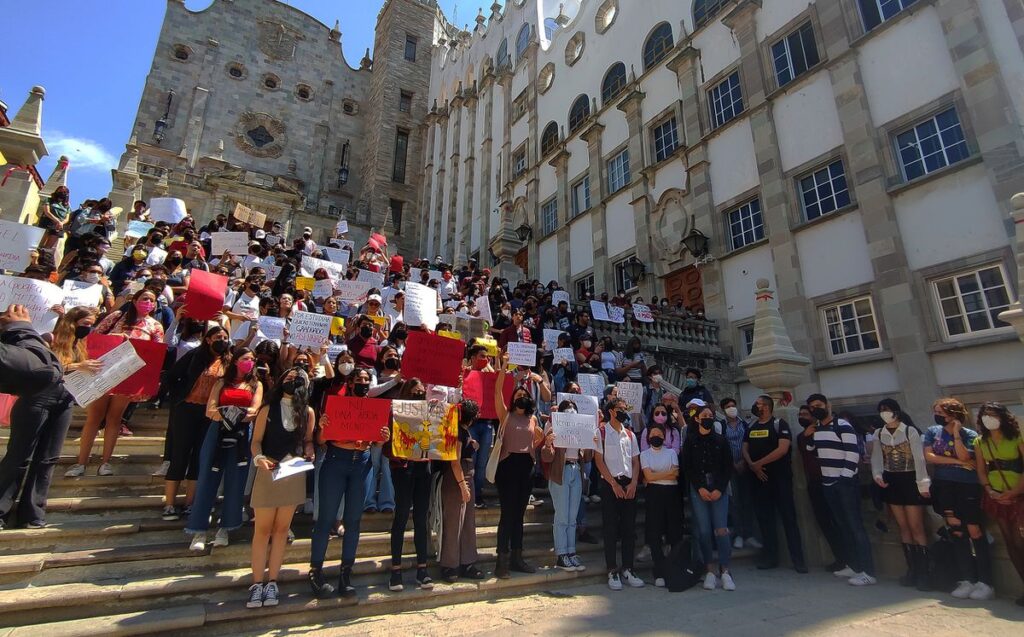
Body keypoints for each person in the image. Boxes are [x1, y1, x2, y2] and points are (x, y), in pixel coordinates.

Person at [0, 307, 94, 529]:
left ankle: (32, 512)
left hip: (65, 400)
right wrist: (76, 366)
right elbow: (41, 367)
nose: (88, 328)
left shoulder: (80, 346)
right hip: (38, 398)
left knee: (48, 458)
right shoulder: (48, 338)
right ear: (73, 321)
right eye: (86, 323)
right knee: (20, 454)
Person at [65, 289, 165, 478]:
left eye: (152, 300)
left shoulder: (155, 325)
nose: (149, 303)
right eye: (145, 298)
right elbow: (94, 337)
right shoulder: (117, 317)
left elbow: (156, 351)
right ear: (134, 300)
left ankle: (105, 463)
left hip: (128, 376)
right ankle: (81, 462)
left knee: (114, 419)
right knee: (94, 417)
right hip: (104, 371)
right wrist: (117, 339)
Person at [309, 368, 390, 598]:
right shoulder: (337, 405)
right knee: (326, 518)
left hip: (361, 464)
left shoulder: (374, 410)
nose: (363, 383)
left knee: (353, 520)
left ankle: (346, 573)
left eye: (367, 380)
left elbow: (375, 444)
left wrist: (382, 438)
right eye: (359, 380)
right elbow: (321, 440)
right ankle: (316, 571)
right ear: (351, 383)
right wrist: (323, 427)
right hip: (336, 461)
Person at [247, 366, 315, 609]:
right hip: (269, 470)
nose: (293, 380)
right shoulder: (268, 409)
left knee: (282, 529)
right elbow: (256, 442)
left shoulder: (307, 412)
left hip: (293, 472)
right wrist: (259, 459)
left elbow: (307, 441)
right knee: (262, 530)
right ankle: (257, 583)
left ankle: (272, 580)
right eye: (289, 376)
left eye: (298, 378)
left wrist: (310, 452)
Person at [185, 347, 263, 549]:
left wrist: (234, 415)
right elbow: (210, 409)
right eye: (246, 358)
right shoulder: (221, 383)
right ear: (236, 360)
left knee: (236, 481)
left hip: (241, 434)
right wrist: (229, 416)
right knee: (207, 479)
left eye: (252, 359)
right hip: (217, 432)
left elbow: (254, 410)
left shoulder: (256, 384)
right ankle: (199, 530)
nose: (250, 362)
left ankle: (226, 528)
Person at [924, 397, 993, 600]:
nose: (938, 416)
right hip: (944, 484)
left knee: (974, 529)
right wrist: (954, 460)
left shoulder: (970, 434)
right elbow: (930, 457)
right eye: (936, 411)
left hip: (968, 485)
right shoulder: (931, 432)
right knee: (955, 529)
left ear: (954, 414)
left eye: (942, 412)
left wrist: (956, 434)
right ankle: (967, 579)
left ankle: (985, 581)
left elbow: (966, 458)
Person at [160, 326, 231, 525]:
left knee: (199, 458)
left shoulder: (227, 360)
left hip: (209, 414)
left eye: (226, 337)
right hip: (187, 410)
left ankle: (190, 502)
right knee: (180, 455)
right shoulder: (194, 356)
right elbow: (170, 377)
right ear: (208, 339)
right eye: (218, 337)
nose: (223, 340)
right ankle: (170, 503)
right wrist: (177, 399)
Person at [805, 393, 876, 587]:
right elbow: (812, 449)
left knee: (854, 526)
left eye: (818, 405)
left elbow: (853, 452)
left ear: (827, 405)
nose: (815, 409)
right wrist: (810, 433)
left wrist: (844, 477)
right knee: (842, 524)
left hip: (844, 482)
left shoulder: (843, 425)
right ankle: (853, 565)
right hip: (827, 482)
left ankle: (867, 571)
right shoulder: (818, 427)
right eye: (812, 407)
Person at [492, 354, 545, 578]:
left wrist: (542, 441)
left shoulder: (533, 420)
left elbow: (536, 442)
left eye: (524, 395)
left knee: (520, 515)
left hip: (526, 467)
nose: (521, 398)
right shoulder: (505, 415)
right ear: (513, 399)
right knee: (507, 514)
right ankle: (501, 561)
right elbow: (496, 392)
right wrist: (504, 367)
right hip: (508, 466)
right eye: (518, 395)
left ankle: (517, 557)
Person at [742, 395, 807, 573]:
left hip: (780, 478)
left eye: (759, 404)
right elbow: (744, 447)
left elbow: (782, 448)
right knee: (765, 520)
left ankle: (798, 559)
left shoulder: (779, 424)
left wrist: (759, 463)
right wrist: (753, 465)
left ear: (768, 406)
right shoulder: (752, 426)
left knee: (789, 519)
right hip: (758, 480)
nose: (756, 406)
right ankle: (771, 556)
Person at [870, 398, 931, 589]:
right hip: (892, 480)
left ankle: (925, 571)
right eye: (881, 410)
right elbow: (877, 457)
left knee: (916, 527)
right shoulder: (878, 433)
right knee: (903, 526)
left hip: (910, 478)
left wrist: (923, 484)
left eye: (887, 410)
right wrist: (877, 474)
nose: (884, 413)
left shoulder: (909, 431)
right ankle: (912, 569)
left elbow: (919, 459)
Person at [974, 402, 1024, 606]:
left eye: (993, 414)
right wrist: (990, 490)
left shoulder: (1017, 438)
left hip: (1019, 495)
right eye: (985, 414)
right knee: (1010, 542)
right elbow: (981, 469)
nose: (988, 418)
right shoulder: (980, 442)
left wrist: (1015, 491)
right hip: (996, 496)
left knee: (1021, 540)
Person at [682, 402, 735, 590]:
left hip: (719, 487)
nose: (707, 419)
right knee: (703, 531)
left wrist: (719, 488)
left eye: (710, 416)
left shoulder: (721, 440)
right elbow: (687, 467)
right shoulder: (690, 440)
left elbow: (728, 466)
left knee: (721, 529)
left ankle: (725, 569)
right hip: (699, 488)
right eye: (704, 416)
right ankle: (710, 569)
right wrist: (701, 488)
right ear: (696, 419)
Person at [388, 378, 435, 592]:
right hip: (403, 468)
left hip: (423, 468)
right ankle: (395, 570)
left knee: (421, 518)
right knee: (401, 516)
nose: (419, 394)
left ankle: (422, 569)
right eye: (415, 391)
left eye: (421, 391)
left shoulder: (431, 413)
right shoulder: (396, 412)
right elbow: (390, 443)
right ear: (407, 393)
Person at [594, 396, 644, 590]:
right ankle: (612, 569)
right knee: (611, 528)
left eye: (625, 408)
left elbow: (635, 461)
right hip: (610, 484)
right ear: (612, 411)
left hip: (628, 483)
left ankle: (628, 568)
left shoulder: (630, 435)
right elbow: (599, 461)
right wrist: (613, 484)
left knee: (629, 529)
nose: (624, 412)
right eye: (621, 409)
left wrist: (633, 483)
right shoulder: (602, 432)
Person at [541, 398, 594, 573]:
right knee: (562, 516)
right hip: (560, 473)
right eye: (568, 409)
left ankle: (571, 552)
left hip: (575, 470)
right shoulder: (553, 428)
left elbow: (586, 458)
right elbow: (546, 457)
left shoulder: (580, 430)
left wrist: (590, 443)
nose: (571, 411)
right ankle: (561, 554)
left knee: (572, 518)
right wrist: (548, 443)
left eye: (574, 409)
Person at [795, 405, 847, 573]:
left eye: (805, 414)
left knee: (840, 521)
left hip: (832, 480)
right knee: (825, 522)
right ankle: (840, 558)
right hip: (814, 483)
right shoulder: (801, 436)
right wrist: (806, 436)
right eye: (800, 414)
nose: (802, 416)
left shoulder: (826, 431)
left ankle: (849, 558)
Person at [438, 399, 486, 583]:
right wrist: (462, 485)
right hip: (458, 478)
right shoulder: (456, 431)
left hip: (467, 474)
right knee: (454, 522)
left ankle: (467, 561)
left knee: (467, 522)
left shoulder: (463, 431)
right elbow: (454, 461)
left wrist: (472, 444)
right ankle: (449, 565)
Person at [640, 422, 683, 588]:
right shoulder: (645, 454)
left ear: (664, 437)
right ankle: (658, 569)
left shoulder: (671, 452)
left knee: (674, 529)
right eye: (653, 435)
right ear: (648, 437)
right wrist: (661, 475)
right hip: (654, 494)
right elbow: (648, 477)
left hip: (671, 493)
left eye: (659, 434)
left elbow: (675, 474)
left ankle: (674, 566)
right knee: (655, 531)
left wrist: (655, 475)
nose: (656, 437)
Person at [721, 398, 758, 550]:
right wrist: (732, 464)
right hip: (730, 468)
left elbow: (749, 443)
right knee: (734, 502)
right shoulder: (722, 426)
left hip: (745, 465)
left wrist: (744, 460)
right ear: (723, 409)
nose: (732, 408)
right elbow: (722, 446)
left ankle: (749, 534)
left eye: (733, 405)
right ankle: (738, 534)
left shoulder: (745, 425)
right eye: (728, 406)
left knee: (747, 500)